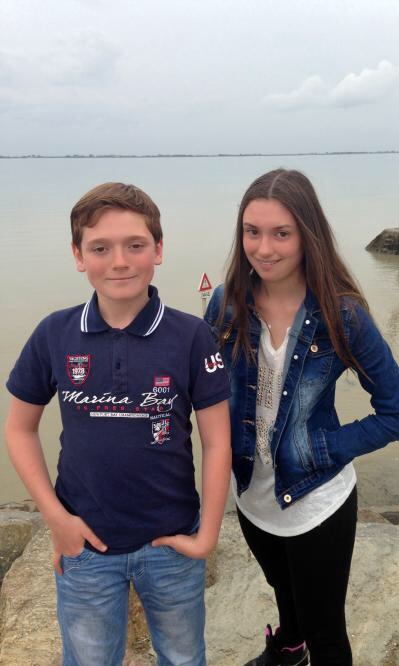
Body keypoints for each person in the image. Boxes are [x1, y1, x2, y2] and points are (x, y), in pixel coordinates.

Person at [5, 182, 231, 666]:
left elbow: (217, 442)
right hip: (85, 543)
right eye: (100, 248)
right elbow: (20, 429)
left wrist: (207, 535)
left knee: (183, 657)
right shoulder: (54, 333)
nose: (120, 262)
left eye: (135, 245)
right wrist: (55, 518)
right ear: (78, 255)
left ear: (159, 249)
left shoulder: (192, 336)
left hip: (171, 542)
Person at [204, 169, 399, 666]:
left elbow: (398, 413)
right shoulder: (226, 303)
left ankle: (303, 645)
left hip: (316, 502)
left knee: (327, 633)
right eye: (252, 232)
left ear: (308, 235)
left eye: (281, 233)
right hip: (251, 494)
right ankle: (288, 649)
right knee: (285, 590)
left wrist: (321, 449)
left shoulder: (342, 314)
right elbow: (199, 387)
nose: (264, 249)